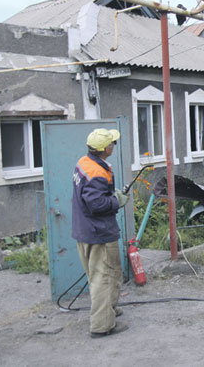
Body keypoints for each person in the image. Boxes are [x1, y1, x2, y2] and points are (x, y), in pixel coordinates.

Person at [72, 128, 130, 338]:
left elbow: (90, 196)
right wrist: (116, 201)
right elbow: (96, 204)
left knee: (104, 275)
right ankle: (102, 325)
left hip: (85, 230)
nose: (114, 145)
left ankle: (108, 310)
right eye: (113, 143)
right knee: (104, 277)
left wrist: (109, 194)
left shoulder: (84, 163)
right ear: (106, 148)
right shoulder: (97, 172)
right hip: (99, 233)